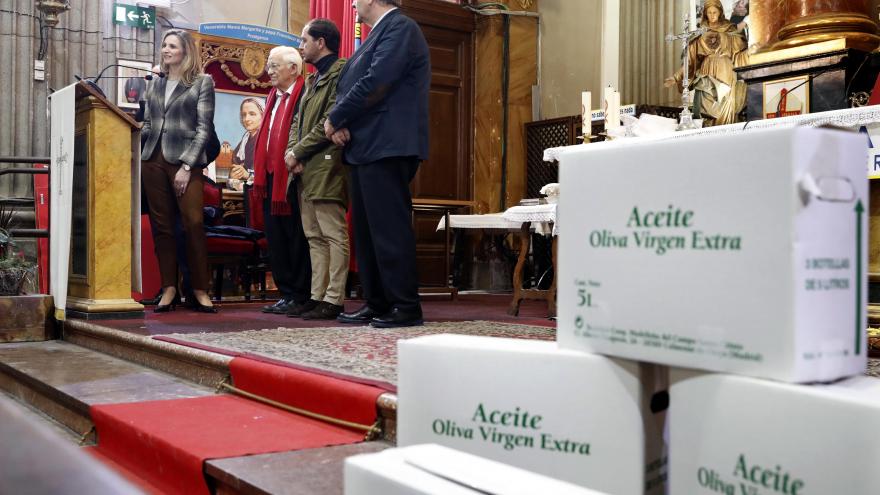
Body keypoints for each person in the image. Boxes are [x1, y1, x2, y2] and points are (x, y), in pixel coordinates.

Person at [325, 0, 430, 328]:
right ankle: (378, 302)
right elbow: (351, 85)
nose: (353, 3)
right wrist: (343, 121)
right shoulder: (378, 33)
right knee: (368, 233)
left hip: (388, 144)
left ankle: (405, 305)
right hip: (366, 144)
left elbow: (376, 81)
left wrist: (337, 117)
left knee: (388, 229)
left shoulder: (400, 27)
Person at [141, 29, 217, 313]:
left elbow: (203, 129)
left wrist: (187, 166)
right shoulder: (155, 84)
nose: (166, 50)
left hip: (185, 161)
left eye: (172, 45)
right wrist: (142, 149)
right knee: (162, 227)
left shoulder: (202, 82)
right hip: (153, 160)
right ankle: (169, 288)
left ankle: (199, 289)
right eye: (164, 45)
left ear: (185, 51)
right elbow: (148, 122)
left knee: (193, 224)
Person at [284, 19, 349, 320]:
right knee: (313, 235)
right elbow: (298, 120)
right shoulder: (311, 79)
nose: (300, 45)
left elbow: (329, 119)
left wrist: (298, 151)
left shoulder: (341, 72)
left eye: (304, 39)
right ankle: (316, 295)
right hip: (305, 166)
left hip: (326, 163)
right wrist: (292, 152)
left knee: (332, 233)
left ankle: (334, 298)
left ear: (321, 42)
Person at [251, 46, 313, 315]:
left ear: (293, 69)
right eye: (269, 65)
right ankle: (286, 293)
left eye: (275, 65)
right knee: (276, 239)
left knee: (295, 237)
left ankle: (300, 294)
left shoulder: (303, 95)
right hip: (270, 178)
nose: (269, 70)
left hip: (293, 176)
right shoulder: (272, 97)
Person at [664, 0, 747, 126]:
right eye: (709, 13)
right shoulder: (700, 34)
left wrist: (752, 52)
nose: (712, 15)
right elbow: (689, 60)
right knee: (706, 113)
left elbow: (740, 54)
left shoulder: (730, 30)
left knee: (723, 109)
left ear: (720, 12)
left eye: (715, 12)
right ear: (705, 14)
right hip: (706, 74)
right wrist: (676, 77)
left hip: (725, 73)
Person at [229, 97, 264, 188]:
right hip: (246, 192)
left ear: (263, 115)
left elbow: (272, 176)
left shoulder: (268, 141)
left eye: (252, 114)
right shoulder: (243, 142)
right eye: (244, 115)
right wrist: (234, 175)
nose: (246, 119)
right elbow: (235, 167)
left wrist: (248, 175)